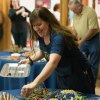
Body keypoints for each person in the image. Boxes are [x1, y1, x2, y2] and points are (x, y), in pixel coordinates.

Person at [18, 7, 95, 97]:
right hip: (63, 75)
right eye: (34, 25)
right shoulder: (43, 35)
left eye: (39, 24)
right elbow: (43, 51)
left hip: (79, 75)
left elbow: (53, 62)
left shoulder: (58, 36)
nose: (36, 28)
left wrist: (34, 83)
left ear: (48, 21)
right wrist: (30, 60)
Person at [68, 0, 100, 83]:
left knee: (93, 64)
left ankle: (91, 85)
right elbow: (74, 29)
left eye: (74, 10)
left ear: (80, 6)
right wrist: (72, 38)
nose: (73, 12)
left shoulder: (90, 12)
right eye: (72, 10)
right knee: (80, 61)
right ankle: (83, 83)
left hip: (94, 39)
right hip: (82, 40)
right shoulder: (75, 13)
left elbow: (92, 29)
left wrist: (81, 41)